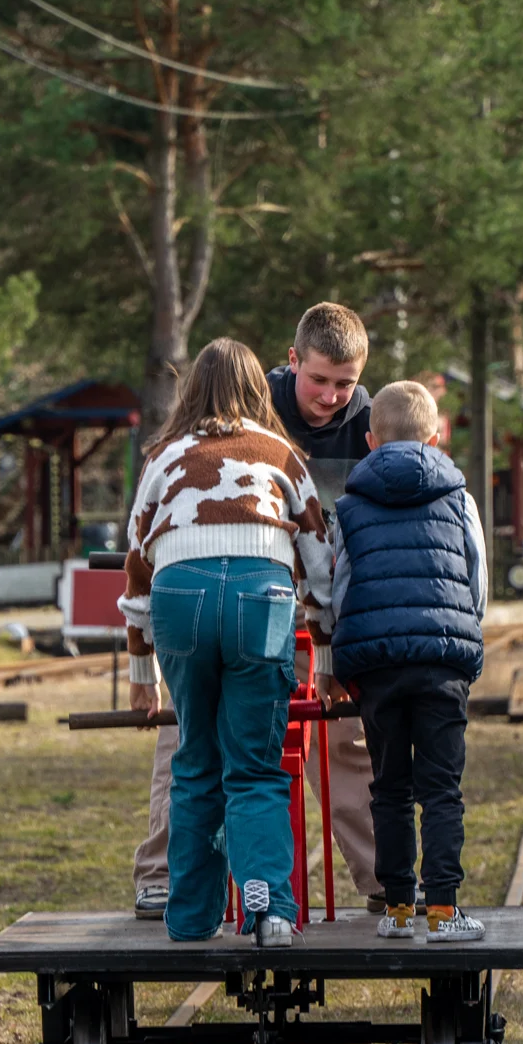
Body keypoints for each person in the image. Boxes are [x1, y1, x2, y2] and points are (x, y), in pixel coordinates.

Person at [131, 301, 385, 919]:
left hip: (312, 597)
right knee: (192, 736)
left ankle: (384, 878)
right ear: (291, 361)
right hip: (262, 591)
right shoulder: (252, 414)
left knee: (345, 737)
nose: (329, 396)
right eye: (318, 379)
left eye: (344, 384)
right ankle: (164, 875)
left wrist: (328, 636)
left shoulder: (372, 428)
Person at [119, 338, 335, 947]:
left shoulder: (163, 457)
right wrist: (327, 656)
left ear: (192, 390)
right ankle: (267, 910)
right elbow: (320, 567)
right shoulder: (283, 455)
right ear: (259, 392)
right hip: (258, 601)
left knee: (195, 763)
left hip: (179, 600)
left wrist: (142, 677)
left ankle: (188, 916)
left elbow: (137, 566)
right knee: (256, 768)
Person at [329, 381, 488, 943]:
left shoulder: (348, 505)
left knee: (390, 786)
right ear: (436, 437)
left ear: (371, 441)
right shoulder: (458, 496)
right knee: (442, 788)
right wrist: (466, 631)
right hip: (443, 659)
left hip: (376, 666)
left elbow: (339, 587)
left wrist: (341, 655)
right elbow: (475, 577)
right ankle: (443, 910)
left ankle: (398, 910)